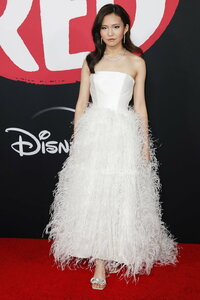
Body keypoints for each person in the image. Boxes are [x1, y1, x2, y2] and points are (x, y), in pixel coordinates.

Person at [43, 4, 179, 290]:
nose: (110, 32)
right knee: (95, 194)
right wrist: (78, 138)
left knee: (121, 194)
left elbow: (140, 106)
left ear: (126, 28)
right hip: (95, 133)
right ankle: (100, 263)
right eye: (104, 27)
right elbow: (81, 103)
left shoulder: (136, 62)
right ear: (99, 32)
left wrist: (144, 144)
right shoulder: (91, 61)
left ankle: (121, 247)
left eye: (115, 26)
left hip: (124, 133)